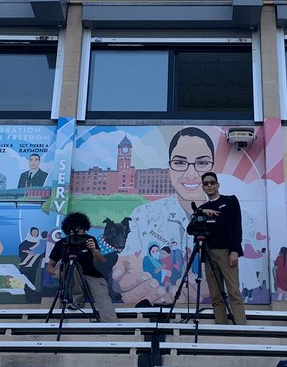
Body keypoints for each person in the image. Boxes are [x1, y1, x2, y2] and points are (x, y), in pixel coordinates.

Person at [113, 127, 218, 305]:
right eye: (179, 163)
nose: (191, 174)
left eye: (201, 163)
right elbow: (127, 263)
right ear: (169, 166)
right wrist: (123, 278)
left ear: (212, 168)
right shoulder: (142, 216)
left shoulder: (233, 216)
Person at [191, 170, 247, 325]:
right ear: (202, 187)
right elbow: (191, 228)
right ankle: (221, 326)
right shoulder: (202, 208)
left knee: (233, 292)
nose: (209, 186)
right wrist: (201, 211)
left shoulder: (230, 201)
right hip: (208, 254)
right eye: (206, 183)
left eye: (212, 182)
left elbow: (237, 227)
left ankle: (241, 328)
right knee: (216, 295)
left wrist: (235, 250)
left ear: (218, 185)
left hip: (227, 252)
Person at [47, 211, 117, 322]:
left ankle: (111, 324)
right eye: (73, 228)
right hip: (71, 276)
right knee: (72, 264)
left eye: (79, 228)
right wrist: (56, 273)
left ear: (84, 228)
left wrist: (94, 249)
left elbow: (101, 261)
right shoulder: (62, 243)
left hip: (92, 275)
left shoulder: (90, 239)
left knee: (102, 296)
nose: (76, 231)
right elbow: (50, 266)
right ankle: (77, 300)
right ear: (68, 229)